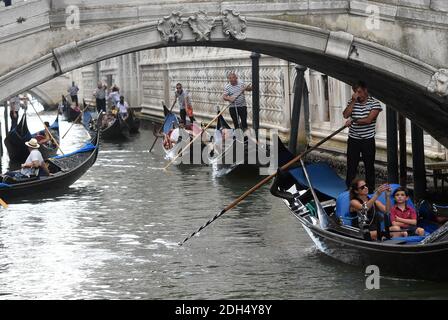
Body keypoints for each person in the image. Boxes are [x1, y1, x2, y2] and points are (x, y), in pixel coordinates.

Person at [343, 81, 383, 192]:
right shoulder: (352, 102)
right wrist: (353, 101)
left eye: (359, 92)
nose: (357, 94)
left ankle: (370, 189)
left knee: (369, 165)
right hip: (353, 139)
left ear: (365, 90)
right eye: (355, 92)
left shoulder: (375, 104)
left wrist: (353, 120)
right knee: (351, 165)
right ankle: (350, 188)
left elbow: (368, 120)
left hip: (368, 140)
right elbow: (345, 114)